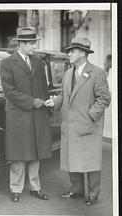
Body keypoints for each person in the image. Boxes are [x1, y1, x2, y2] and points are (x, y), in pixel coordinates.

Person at [45, 37, 111, 206]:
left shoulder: (97, 73)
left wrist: (90, 116)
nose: (69, 54)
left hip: (89, 126)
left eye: (72, 51)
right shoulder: (68, 73)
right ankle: (77, 189)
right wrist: (56, 102)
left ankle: (93, 193)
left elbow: (104, 98)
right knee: (73, 158)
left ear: (82, 53)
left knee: (90, 161)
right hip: (70, 125)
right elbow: (64, 95)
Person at [0, 27, 52, 202]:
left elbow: (44, 89)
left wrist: (47, 104)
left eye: (34, 43)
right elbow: (9, 91)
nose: (34, 47)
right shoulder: (7, 63)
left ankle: (35, 187)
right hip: (19, 115)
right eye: (31, 44)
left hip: (37, 114)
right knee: (19, 154)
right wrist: (32, 102)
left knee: (36, 152)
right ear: (21, 44)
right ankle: (16, 189)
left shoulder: (38, 63)